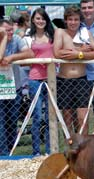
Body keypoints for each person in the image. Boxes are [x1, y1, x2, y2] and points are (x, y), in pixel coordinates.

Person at [53, 6, 94, 135]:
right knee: (67, 118)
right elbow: (57, 53)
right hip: (64, 80)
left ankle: (84, 147)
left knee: (82, 118)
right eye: (70, 19)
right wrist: (81, 50)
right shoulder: (60, 32)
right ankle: (69, 147)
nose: (73, 22)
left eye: (76, 19)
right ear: (66, 21)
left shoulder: (85, 33)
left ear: (80, 21)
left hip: (82, 79)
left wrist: (77, 54)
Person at [22, 8, 55, 156]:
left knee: (50, 115)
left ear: (46, 20)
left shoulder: (52, 35)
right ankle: (36, 151)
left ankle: (49, 149)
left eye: (42, 18)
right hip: (35, 78)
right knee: (37, 115)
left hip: (51, 78)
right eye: (37, 18)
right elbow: (25, 56)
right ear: (33, 20)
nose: (40, 21)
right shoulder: (28, 37)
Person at [0, 19, 33, 155]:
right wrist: (2, 39)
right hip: (0, 90)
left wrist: (12, 57)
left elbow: (30, 53)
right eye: (6, 30)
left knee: (12, 122)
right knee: (1, 122)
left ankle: (10, 151)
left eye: (10, 29)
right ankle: (3, 153)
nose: (10, 32)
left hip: (15, 88)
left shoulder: (17, 39)